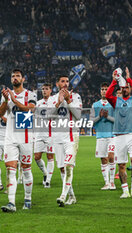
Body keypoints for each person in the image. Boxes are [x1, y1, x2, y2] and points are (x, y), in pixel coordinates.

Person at [0, 69, 37, 212]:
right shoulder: (6, 95)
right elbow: (1, 113)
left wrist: (14, 100)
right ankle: (11, 203)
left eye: (17, 76)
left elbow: (29, 110)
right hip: (10, 138)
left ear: (23, 79)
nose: (15, 78)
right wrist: (5, 101)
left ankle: (28, 199)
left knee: (26, 170)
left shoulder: (30, 94)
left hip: (26, 137)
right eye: (13, 76)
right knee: (10, 170)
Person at [105, 67, 132, 199]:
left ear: (130, 89)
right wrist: (114, 81)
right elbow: (108, 95)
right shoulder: (116, 101)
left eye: (127, 87)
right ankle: (125, 191)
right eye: (124, 87)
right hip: (119, 136)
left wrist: (129, 79)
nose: (125, 89)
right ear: (121, 89)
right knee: (121, 164)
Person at [49, 75, 82, 207]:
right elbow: (47, 117)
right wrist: (58, 102)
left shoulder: (76, 97)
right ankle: (72, 196)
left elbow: (78, 116)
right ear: (57, 84)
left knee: (68, 166)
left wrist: (68, 101)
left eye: (67, 81)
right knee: (62, 169)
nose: (65, 84)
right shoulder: (52, 98)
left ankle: (63, 195)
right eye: (62, 81)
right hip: (57, 138)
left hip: (71, 137)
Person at [90, 82, 116, 190]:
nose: (104, 91)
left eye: (106, 89)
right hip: (100, 135)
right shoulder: (95, 105)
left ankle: (112, 182)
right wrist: (100, 117)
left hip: (112, 135)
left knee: (111, 157)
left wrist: (107, 117)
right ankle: (106, 183)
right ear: (100, 91)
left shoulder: (114, 104)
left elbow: (118, 121)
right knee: (103, 160)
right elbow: (91, 122)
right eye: (102, 89)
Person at [34, 83, 55, 188]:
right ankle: (46, 174)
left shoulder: (54, 102)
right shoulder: (38, 103)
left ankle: (48, 181)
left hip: (50, 134)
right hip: (38, 133)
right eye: (42, 89)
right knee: (37, 157)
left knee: (50, 156)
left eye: (46, 89)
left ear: (50, 90)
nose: (44, 91)